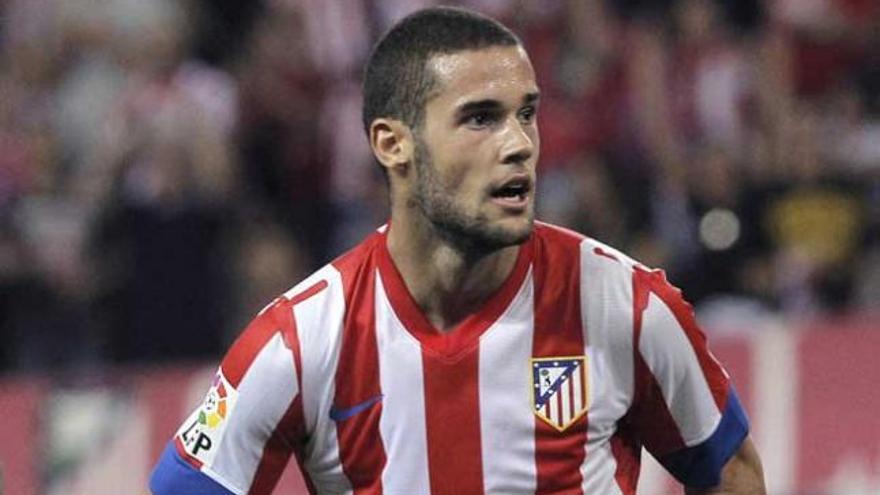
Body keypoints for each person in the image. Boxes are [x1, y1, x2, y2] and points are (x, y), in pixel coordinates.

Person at [149, 6, 765, 494]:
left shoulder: (626, 305)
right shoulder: (300, 342)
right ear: (394, 144)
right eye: (481, 118)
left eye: (527, 114)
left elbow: (728, 468)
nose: (520, 143)